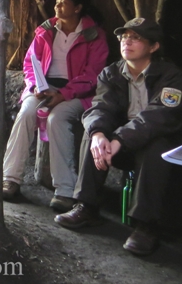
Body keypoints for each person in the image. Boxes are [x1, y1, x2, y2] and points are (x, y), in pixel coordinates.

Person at [55, 18, 182, 256]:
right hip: (122, 144)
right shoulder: (111, 73)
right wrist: (100, 134)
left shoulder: (171, 76)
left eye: (136, 38)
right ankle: (87, 206)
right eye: (124, 37)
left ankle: (146, 226)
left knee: (158, 146)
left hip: (155, 145)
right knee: (93, 137)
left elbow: (159, 118)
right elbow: (100, 107)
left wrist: (119, 139)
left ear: (153, 47)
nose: (127, 42)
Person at [2, 0, 108, 211]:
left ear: (77, 8)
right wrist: (34, 86)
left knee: (57, 119)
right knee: (25, 114)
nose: (57, 7)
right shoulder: (46, 30)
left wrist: (63, 94)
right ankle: (10, 179)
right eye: (57, 2)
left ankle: (65, 190)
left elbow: (92, 76)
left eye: (63, 3)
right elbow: (30, 63)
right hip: (44, 87)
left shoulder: (94, 36)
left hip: (78, 93)